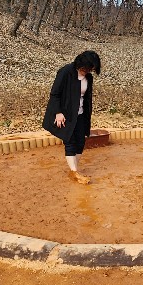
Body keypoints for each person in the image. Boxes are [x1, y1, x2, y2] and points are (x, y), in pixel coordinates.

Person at [42, 50, 101, 184]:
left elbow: (86, 98)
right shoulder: (66, 72)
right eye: (86, 68)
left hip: (80, 114)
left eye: (91, 69)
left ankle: (74, 170)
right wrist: (58, 113)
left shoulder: (88, 78)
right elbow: (55, 94)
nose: (87, 71)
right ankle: (74, 172)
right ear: (80, 64)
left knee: (80, 142)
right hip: (65, 114)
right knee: (70, 141)